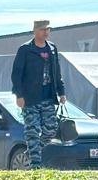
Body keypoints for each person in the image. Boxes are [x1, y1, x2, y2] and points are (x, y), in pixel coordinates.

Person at [10, 19, 66, 169]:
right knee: (32, 131)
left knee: (51, 129)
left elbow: (57, 72)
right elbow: (16, 74)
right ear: (35, 31)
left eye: (48, 29)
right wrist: (19, 95)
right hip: (30, 98)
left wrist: (61, 92)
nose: (46, 32)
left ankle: (32, 151)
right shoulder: (25, 49)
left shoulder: (52, 49)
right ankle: (35, 165)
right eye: (43, 30)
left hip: (48, 96)